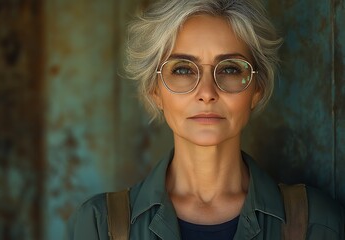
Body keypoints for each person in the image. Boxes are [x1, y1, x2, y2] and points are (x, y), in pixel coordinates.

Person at [65, 0, 344, 239]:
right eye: (184, 69)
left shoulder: (317, 224)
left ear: (257, 89)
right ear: (155, 90)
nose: (207, 93)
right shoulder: (100, 225)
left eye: (231, 69)